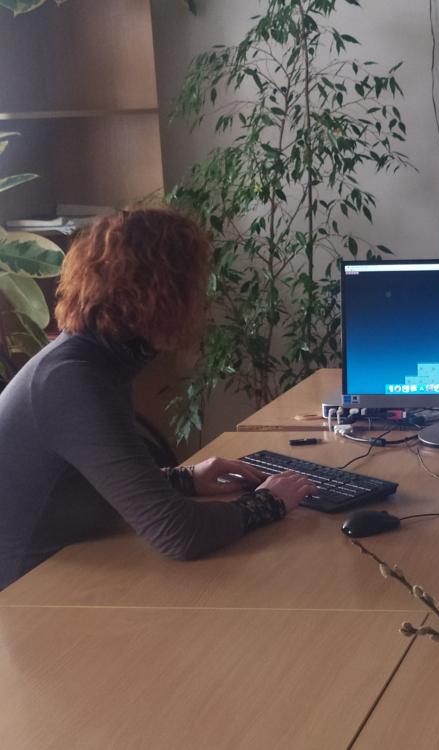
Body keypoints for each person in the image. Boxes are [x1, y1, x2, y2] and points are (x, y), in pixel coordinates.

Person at [0, 208, 315, 590]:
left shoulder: (89, 357)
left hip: (62, 572)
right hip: (25, 598)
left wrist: (185, 480)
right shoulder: (73, 379)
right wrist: (267, 502)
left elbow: (89, 480)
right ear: (163, 295)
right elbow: (178, 534)